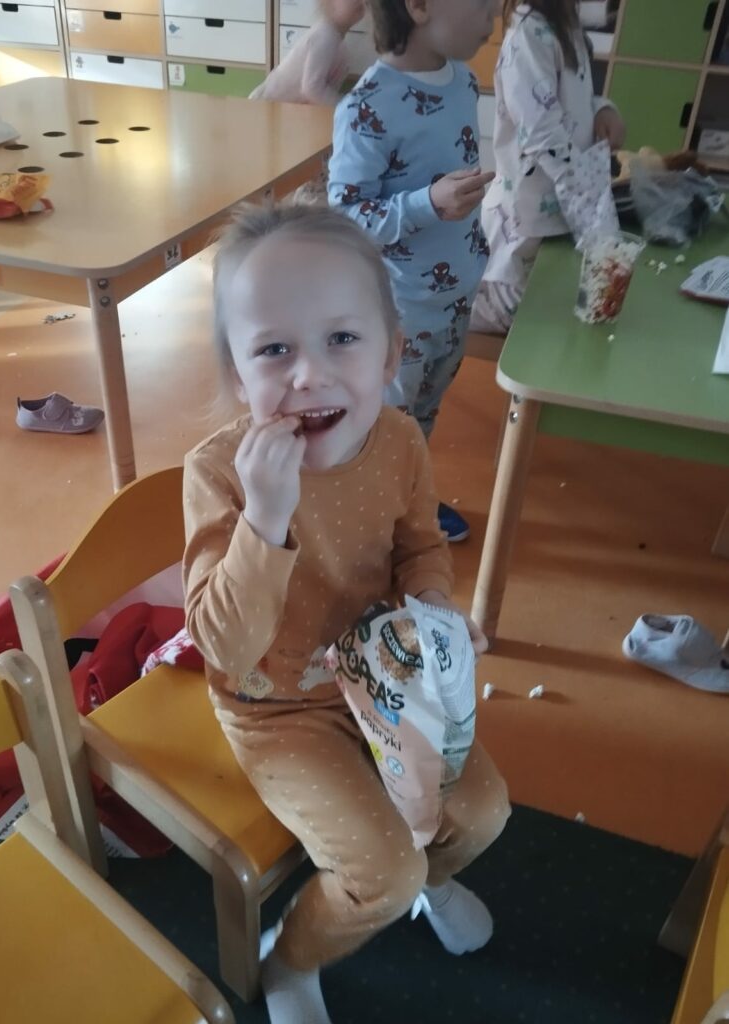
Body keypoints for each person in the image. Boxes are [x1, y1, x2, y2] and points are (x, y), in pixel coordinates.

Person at [183, 203, 510, 1024]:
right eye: (273, 350)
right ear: (237, 377)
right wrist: (265, 517)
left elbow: (419, 547)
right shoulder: (220, 474)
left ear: (392, 352)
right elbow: (223, 648)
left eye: (341, 339)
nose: (308, 374)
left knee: (481, 813)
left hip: (386, 682)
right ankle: (292, 957)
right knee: (382, 874)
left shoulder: (398, 440)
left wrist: (432, 609)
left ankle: (432, 882)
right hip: (276, 707)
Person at [327, 0, 497, 543]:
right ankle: (366, 522)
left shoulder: (464, 81)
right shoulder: (368, 106)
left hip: (455, 296)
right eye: (482, 3)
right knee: (385, 423)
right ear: (419, 7)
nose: (494, 16)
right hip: (401, 310)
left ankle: (403, 499)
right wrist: (427, 203)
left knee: (422, 414)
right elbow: (345, 214)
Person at [470, 0, 626, 334]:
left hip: (558, 213)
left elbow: (570, 100)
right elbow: (540, 133)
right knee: (522, 318)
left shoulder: (565, 24)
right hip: (525, 220)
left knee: (556, 303)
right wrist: (590, 206)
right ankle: (458, 313)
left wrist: (602, 108)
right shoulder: (527, 33)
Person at [250, 0, 366, 106]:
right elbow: (312, 88)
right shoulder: (325, 36)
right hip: (266, 106)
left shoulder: (338, 44)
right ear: (329, 3)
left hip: (287, 109)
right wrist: (346, 105)